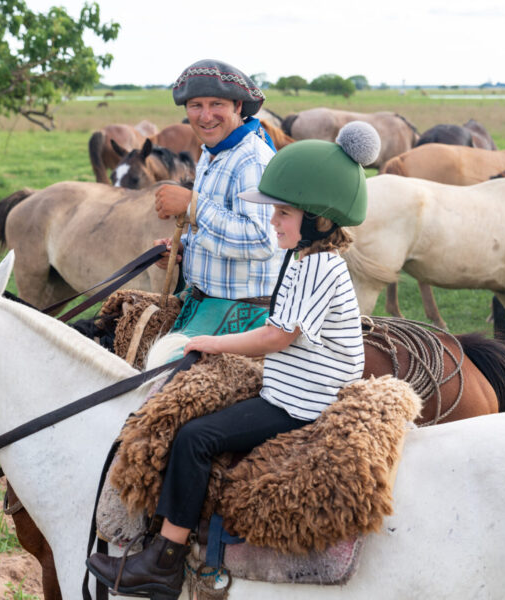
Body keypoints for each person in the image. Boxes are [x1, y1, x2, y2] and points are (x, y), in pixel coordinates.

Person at [86, 122, 382, 598]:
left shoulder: (319, 266)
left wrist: (209, 344)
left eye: (283, 213)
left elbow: (277, 336)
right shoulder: (300, 257)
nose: (273, 222)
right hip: (284, 387)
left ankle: (164, 560)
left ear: (319, 220)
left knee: (194, 439)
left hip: (301, 403)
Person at [153, 59, 284, 341]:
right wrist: (182, 249)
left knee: (160, 378)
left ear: (238, 107)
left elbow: (262, 241)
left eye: (216, 104)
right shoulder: (212, 153)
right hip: (205, 302)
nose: (205, 115)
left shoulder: (252, 159)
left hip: (245, 313)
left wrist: (192, 205)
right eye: (196, 105)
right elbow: (218, 229)